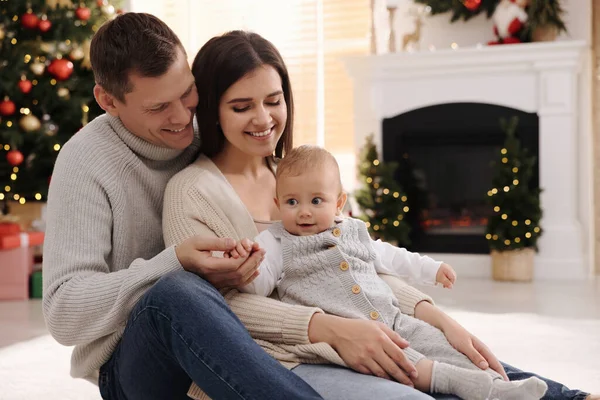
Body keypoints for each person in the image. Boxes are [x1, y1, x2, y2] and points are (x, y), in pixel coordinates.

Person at [163, 29, 597, 400]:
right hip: (287, 360)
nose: (263, 118)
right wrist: (332, 330)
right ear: (213, 112)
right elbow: (212, 313)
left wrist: (438, 318)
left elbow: (357, 261)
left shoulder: (296, 176)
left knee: (479, 362)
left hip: (372, 327)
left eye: (274, 101)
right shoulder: (193, 191)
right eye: (242, 107)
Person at [42, 13, 325, 400]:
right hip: (135, 362)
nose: (182, 118)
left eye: (187, 93)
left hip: (227, 339)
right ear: (108, 101)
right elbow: (63, 312)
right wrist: (174, 261)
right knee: (175, 294)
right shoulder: (86, 162)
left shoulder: (207, 126)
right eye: (158, 107)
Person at [234, 144, 549, 399]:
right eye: (292, 202)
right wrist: (244, 268)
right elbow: (257, 286)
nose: (304, 211)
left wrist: (432, 268)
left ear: (339, 203)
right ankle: (483, 390)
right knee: (413, 366)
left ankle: (497, 382)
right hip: (354, 339)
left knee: (443, 344)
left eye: (317, 200)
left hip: (396, 318)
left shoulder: (354, 231)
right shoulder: (275, 242)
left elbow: (392, 258)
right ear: (278, 204)